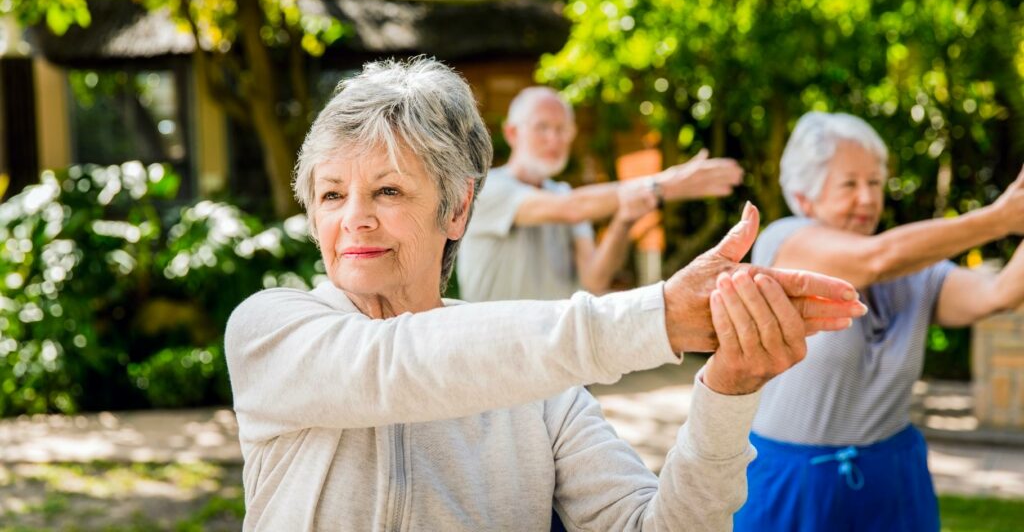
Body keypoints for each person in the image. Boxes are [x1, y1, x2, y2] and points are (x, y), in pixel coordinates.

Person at [225, 59, 866, 531]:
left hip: (545, 350)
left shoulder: (547, 399)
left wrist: (727, 391)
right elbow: (397, 365)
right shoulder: (269, 329)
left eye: (388, 191)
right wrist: (661, 315)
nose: (354, 218)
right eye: (332, 194)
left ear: (456, 210)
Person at [733, 111, 1024, 531]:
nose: (868, 198)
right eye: (850, 184)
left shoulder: (916, 270)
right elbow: (874, 260)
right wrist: (1000, 217)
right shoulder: (783, 243)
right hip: (791, 481)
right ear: (806, 196)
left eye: (874, 183)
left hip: (894, 477)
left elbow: (999, 294)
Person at [457, 86, 744, 301]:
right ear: (512, 133)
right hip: (496, 355)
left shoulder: (563, 192)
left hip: (554, 360)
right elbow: (571, 208)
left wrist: (624, 220)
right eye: (542, 127)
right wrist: (664, 185)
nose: (553, 139)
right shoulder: (488, 189)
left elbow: (594, 280)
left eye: (562, 129)